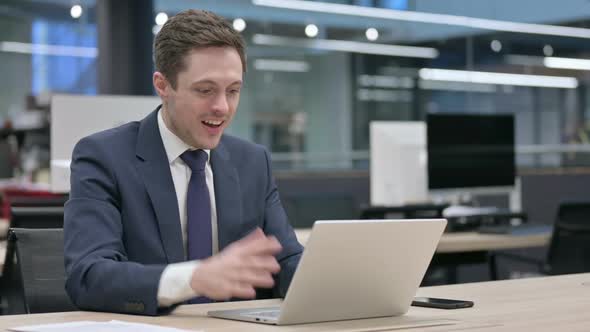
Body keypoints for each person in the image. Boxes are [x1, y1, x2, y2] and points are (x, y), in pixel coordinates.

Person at [64, 9, 303, 316]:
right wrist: (194, 278)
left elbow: (287, 261)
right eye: (205, 90)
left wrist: (337, 283)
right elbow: (88, 277)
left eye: (233, 91)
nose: (222, 107)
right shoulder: (103, 157)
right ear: (163, 85)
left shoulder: (253, 162)